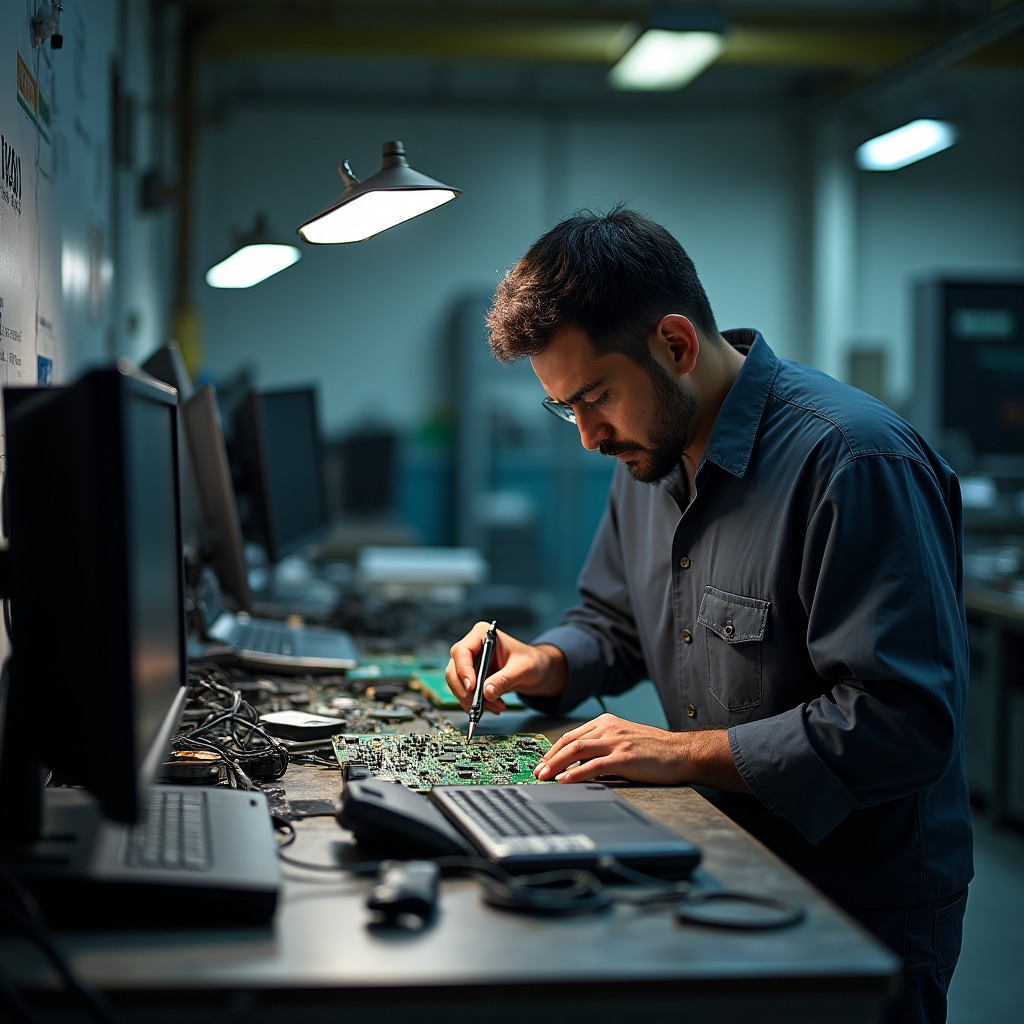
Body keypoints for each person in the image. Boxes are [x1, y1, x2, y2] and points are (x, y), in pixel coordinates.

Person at [446, 206, 973, 1024]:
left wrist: (682, 751)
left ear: (676, 345)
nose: (587, 437)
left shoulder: (854, 461)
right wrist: (545, 661)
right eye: (564, 409)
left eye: (594, 398)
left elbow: (904, 721)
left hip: (854, 907)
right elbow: (613, 621)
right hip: (718, 864)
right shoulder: (647, 451)